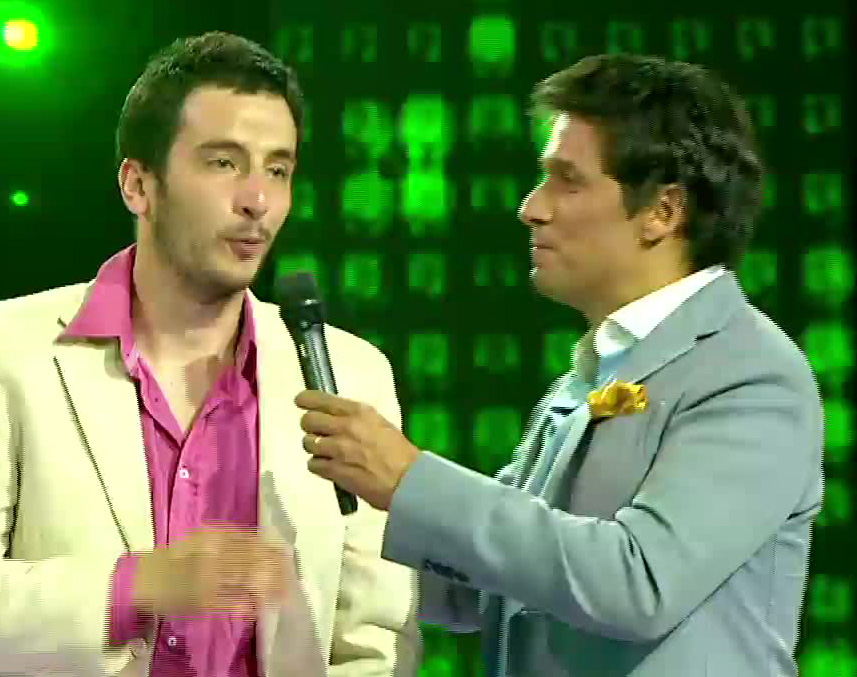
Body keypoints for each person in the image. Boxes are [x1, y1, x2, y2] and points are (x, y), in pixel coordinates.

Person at [294, 54, 824, 676]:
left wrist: (410, 479)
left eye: (566, 181)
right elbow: (478, 584)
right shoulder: (593, 375)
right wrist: (299, 534)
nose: (531, 208)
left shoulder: (751, 376)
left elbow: (639, 582)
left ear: (663, 211)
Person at [0, 32, 420, 677]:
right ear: (139, 185)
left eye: (277, 170)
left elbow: (374, 639)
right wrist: (132, 587)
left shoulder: (350, 373)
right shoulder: (14, 350)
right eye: (224, 163)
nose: (257, 200)